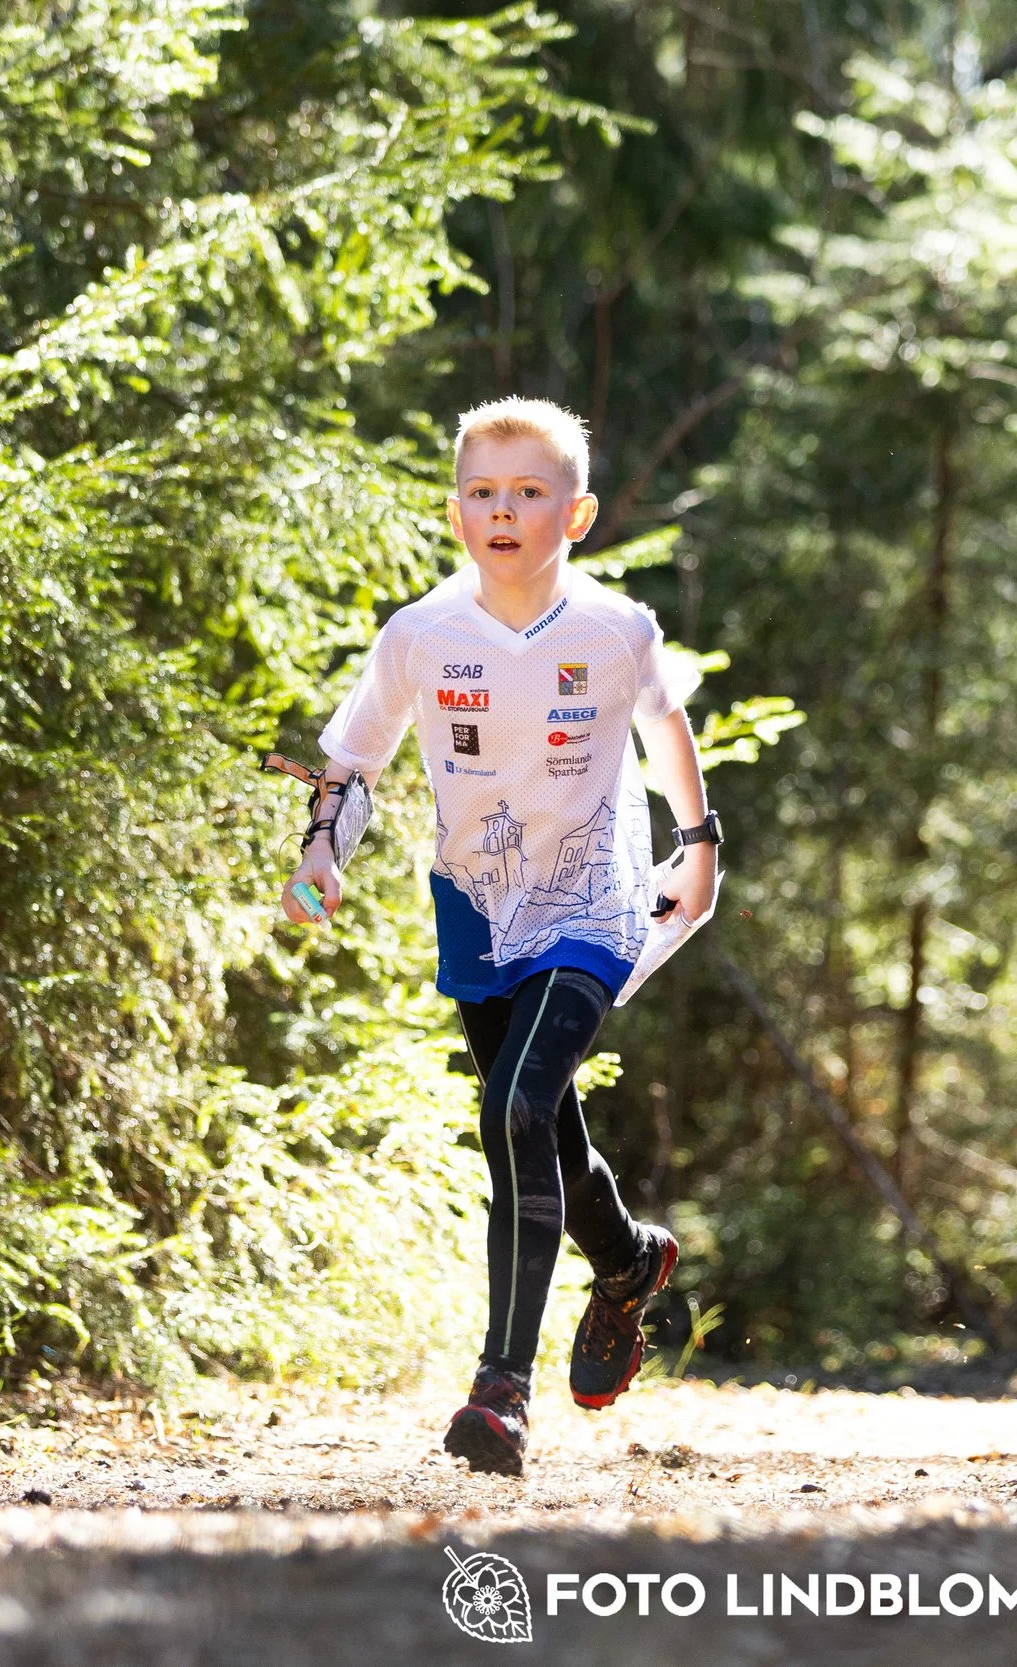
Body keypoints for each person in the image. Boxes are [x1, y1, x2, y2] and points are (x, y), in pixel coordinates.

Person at [280, 397, 721, 1476]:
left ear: (574, 515)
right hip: (477, 905)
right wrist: (321, 848)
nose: (502, 509)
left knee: (517, 1103)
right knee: (547, 1129)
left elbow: (663, 729)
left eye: (528, 492)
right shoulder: (422, 634)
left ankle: (500, 1391)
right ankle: (626, 1261)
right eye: (482, 492)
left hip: (595, 902)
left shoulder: (616, 629)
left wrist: (699, 842)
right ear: (455, 511)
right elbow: (355, 763)